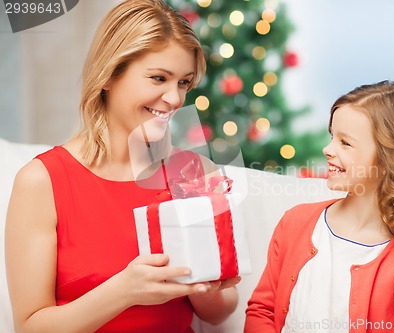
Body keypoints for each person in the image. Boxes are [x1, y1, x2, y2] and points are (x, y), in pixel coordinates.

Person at [5, 0, 240, 332]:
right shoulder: (41, 181)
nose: (174, 99)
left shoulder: (195, 173)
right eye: (159, 78)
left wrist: (202, 286)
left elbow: (218, 312)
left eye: (184, 83)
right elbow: (29, 327)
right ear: (108, 76)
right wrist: (125, 291)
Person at [245, 80, 394, 333]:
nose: (327, 149)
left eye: (345, 143)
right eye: (332, 136)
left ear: (392, 159)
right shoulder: (295, 222)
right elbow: (262, 311)